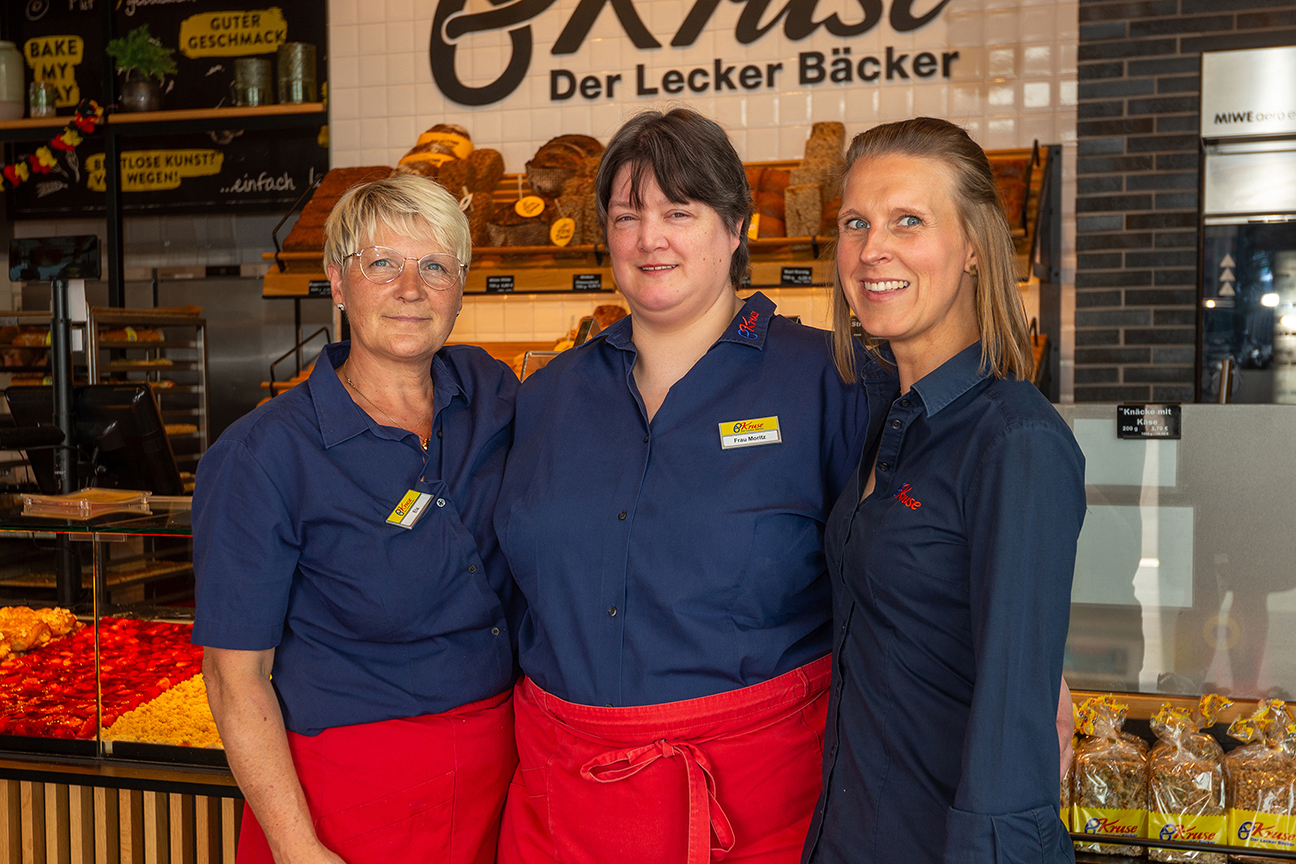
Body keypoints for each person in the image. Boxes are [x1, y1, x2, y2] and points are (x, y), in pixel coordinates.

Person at [494, 109, 893, 864]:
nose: (651, 238)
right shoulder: (546, 398)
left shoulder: (832, 382)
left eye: (680, 212)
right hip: (563, 805)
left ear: (734, 226)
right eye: (627, 215)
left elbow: (902, 580)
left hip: (757, 812)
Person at [192, 174, 519, 864]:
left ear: (461, 288)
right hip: (353, 796)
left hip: (507, 778)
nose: (411, 288)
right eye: (382, 265)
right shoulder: (263, 454)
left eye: (435, 266)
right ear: (338, 284)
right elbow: (234, 676)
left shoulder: (492, 393)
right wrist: (295, 845)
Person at [802, 117, 1086, 864]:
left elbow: (1015, 726)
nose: (871, 250)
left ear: (971, 249)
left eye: (908, 221)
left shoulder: (1014, 441)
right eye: (855, 223)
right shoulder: (884, 419)